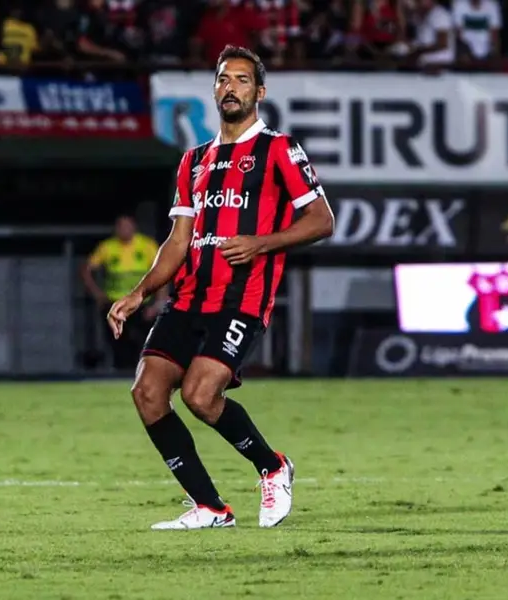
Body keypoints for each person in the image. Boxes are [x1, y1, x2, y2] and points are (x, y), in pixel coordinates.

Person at [107, 45, 335, 530]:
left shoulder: (279, 149)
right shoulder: (193, 161)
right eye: (223, 79)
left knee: (200, 396)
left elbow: (322, 220)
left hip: (241, 300)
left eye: (241, 80)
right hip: (188, 298)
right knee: (147, 393)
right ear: (214, 89)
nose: (230, 87)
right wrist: (139, 292)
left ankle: (273, 467)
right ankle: (210, 507)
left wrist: (260, 243)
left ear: (260, 91)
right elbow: (178, 239)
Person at [82, 215, 163, 371]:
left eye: (128, 226)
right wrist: (97, 294)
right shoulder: (107, 247)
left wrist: (158, 302)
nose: (125, 230)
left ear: (134, 227)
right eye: (121, 226)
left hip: (142, 304)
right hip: (116, 304)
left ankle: (143, 373)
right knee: (118, 343)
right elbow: (86, 270)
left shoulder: (147, 246)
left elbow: (160, 273)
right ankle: (119, 374)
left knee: (144, 342)